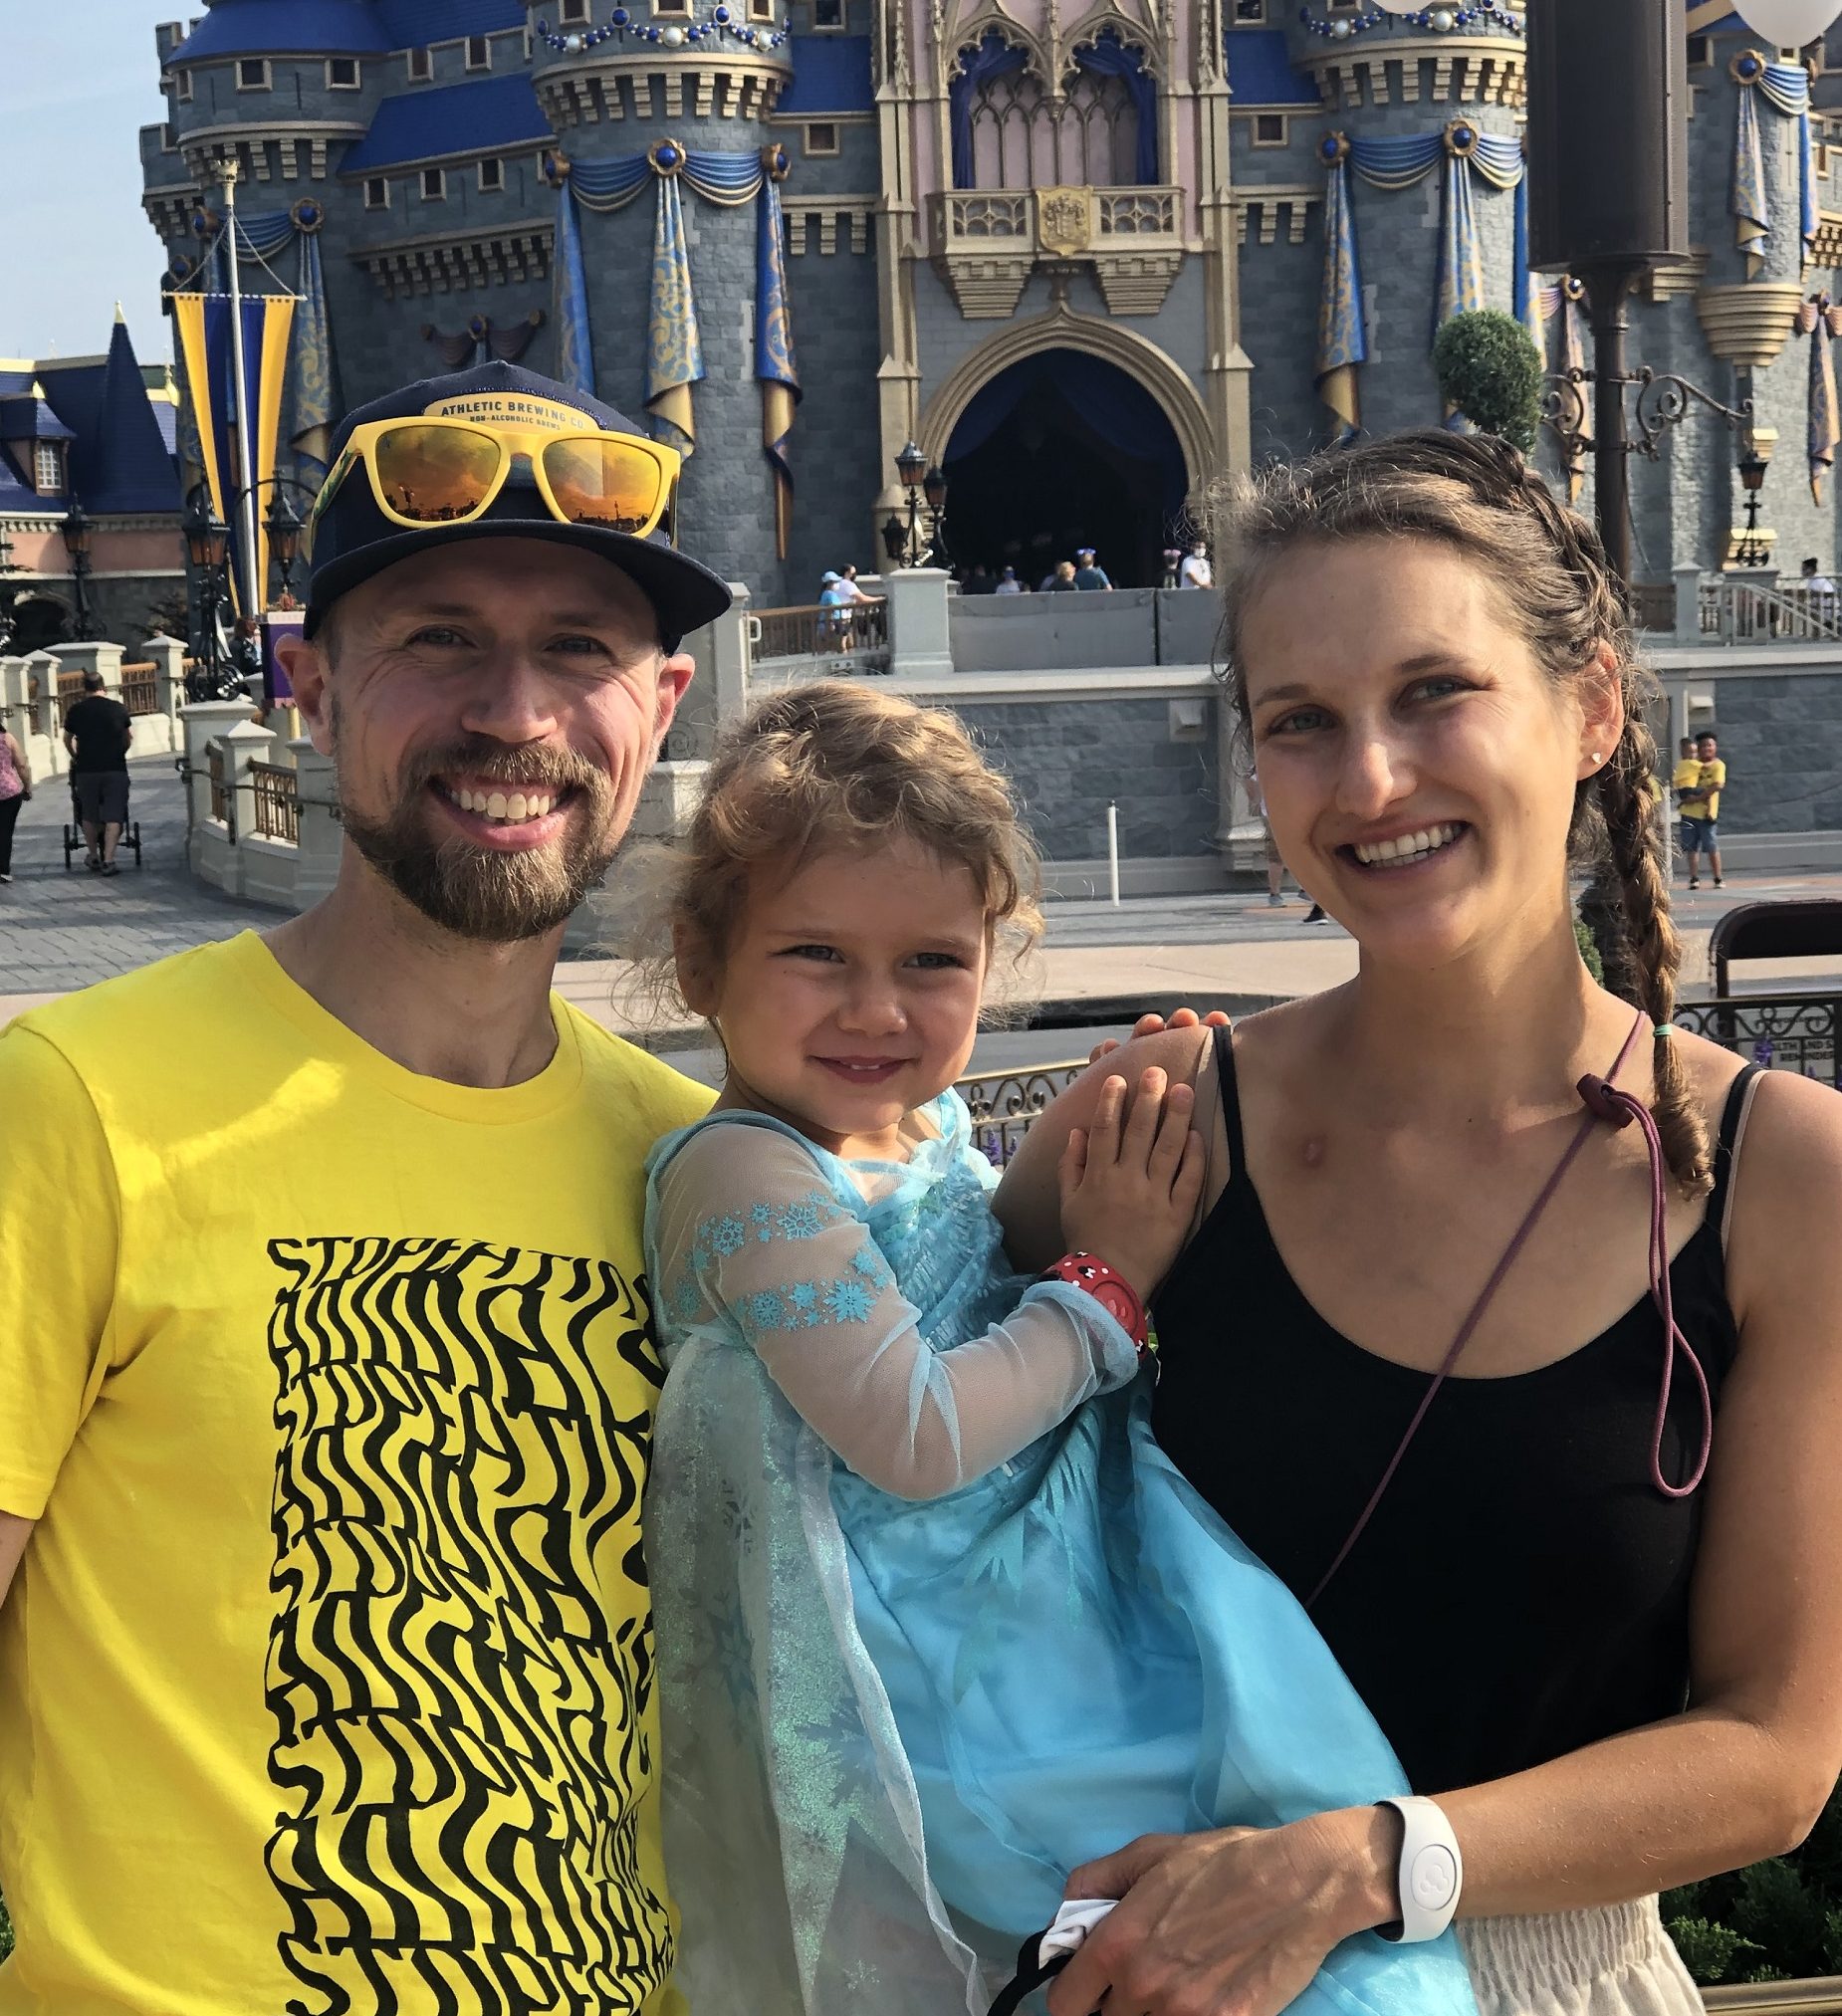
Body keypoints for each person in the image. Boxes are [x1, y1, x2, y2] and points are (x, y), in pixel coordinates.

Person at [995, 429, 1842, 2016]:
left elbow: (1771, 1752)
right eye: (1300, 723)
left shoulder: (1784, 1174)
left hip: (1544, 1982)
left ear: (1589, 705)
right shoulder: (1162, 1129)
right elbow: (900, 1490)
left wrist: (1360, 1863)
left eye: (1431, 693)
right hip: (1159, 1977)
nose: (1370, 782)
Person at [0, 360, 731, 2012]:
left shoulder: (693, 1172)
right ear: (312, 688)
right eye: (440, 638)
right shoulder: (81, 1104)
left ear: (663, 707)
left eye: (579, 651)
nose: (516, 714)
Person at [643, 681, 1479, 2016]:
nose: (876, 1010)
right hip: (936, 1658)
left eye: (931, 962)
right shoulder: (743, 1169)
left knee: (1253, 1865)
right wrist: (1108, 1285)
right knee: (1136, 1912)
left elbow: (973, 1266)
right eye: (816, 956)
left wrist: (1109, 1119)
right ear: (699, 961)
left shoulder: (913, 1136)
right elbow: (912, 1438)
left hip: (1041, 1601)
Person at [61, 669, 132, 876]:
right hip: (115, 768)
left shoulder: (76, 710)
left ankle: (93, 855)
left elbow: (67, 739)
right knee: (114, 814)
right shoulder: (118, 709)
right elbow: (128, 737)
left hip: (86, 769)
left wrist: (75, 756)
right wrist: (120, 752)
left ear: (85, 688)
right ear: (104, 687)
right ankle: (109, 860)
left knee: (89, 814)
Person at [1680, 731, 1727, 890]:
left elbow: (1717, 785)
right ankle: (1694, 878)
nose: (1707, 748)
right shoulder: (1692, 764)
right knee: (1691, 848)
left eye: (1710, 745)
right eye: (1703, 745)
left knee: (1711, 846)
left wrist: (1695, 799)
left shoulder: (1718, 765)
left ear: (1715, 747)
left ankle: (1718, 878)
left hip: (1707, 814)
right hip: (1688, 813)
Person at [0, 716, 30, 885]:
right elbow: (21, 765)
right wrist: (27, 786)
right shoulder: (7, 738)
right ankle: (3, 870)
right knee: (5, 831)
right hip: (8, 792)